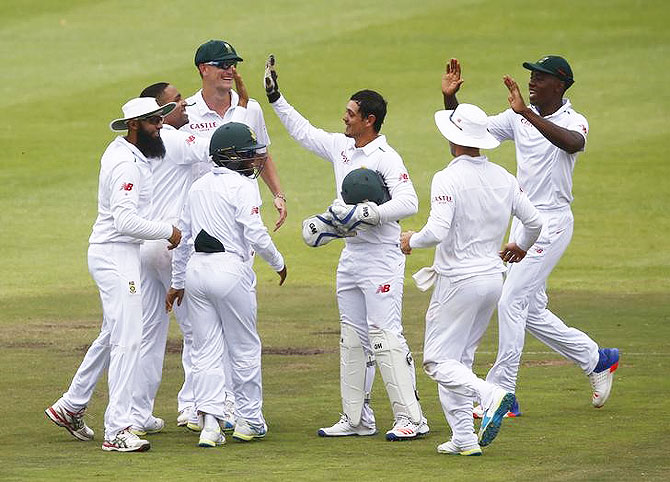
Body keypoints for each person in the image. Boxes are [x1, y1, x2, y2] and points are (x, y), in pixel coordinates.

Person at [441, 56, 620, 417]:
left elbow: (572, 144)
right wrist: (449, 99)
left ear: (561, 84)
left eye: (540, 77)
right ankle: (595, 359)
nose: (532, 82)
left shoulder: (574, 120)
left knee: (510, 302)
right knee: (530, 309)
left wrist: (525, 114)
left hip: (552, 222)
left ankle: (503, 392)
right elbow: (470, 136)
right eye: (531, 76)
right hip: (523, 219)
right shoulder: (516, 115)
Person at [264, 55, 429, 440]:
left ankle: (412, 420)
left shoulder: (386, 158)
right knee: (352, 337)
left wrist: (368, 213)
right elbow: (303, 132)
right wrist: (276, 99)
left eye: (351, 113)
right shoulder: (341, 147)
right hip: (351, 254)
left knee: (385, 336)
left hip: (383, 256)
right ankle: (356, 419)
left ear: (369, 119)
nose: (345, 118)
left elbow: (410, 202)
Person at [400, 103, 543, 455]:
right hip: (493, 279)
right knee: (458, 360)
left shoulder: (446, 177)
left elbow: (436, 231)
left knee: (436, 360)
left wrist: (410, 240)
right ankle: (464, 437)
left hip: (459, 282)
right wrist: (521, 246)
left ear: (454, 138)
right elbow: (536, 222)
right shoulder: (504, 178)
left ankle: (490, 394)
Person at [45, 97, 182, 452]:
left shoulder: (126, 152)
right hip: (115, 256)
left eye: (161, 118)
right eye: (154, 121)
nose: (161, 126)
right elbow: (124, 221)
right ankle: (118, 429)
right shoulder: (126, 165)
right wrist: (167, 230)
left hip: (118, 254)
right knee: (128, 339)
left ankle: (71, 404)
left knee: (112, 334)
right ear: (134, 125)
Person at [130, 74, 254, 435]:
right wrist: (242, 109)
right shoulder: (174, 138)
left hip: (145, 245)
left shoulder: (141, 146)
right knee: (200, 334)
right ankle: (198, 409)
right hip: (171, 244)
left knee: (150, 332)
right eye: (176, 101)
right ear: (160, 113)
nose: (184, 104)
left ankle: (138, 414)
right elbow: (220, 146)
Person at [182, 40, 287, 427]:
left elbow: (261, 153)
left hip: (227, 229)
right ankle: (204, 409)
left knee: (209, 337)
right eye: (221, 63)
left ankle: (214, 417)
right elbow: (187, 154)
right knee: (210, 337)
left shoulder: (250, 109)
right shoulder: (186, 111)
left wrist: (278, 194)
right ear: (202, 69)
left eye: (233, 64)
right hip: (204, 224)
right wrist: (279, 261)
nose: (229, 69)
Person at [166, 122, 287, 448]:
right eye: (248, 155)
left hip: (196, 273)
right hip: (229, 270)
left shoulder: (198, 186)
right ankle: (249, 421)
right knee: (244, 346)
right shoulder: (242, 187)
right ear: (231, 157)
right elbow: (255, 233)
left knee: (205, 350)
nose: (252, 161)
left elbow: (183, 239)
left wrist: (178, 283)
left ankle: (210, 425)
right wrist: (278, 262)